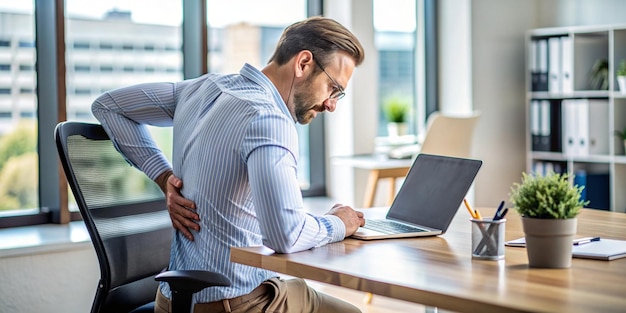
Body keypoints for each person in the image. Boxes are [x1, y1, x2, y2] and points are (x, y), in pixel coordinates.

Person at [92, 16, 366, 313]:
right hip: (235, 305)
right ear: (303, 64)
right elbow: (286, 235)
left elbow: (108, 106)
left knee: (298, 288)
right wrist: (340, 222)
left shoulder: (201, 89)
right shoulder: (269, 118)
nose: (332, 104)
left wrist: (163, 177)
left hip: (170, 302)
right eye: (333, 88)